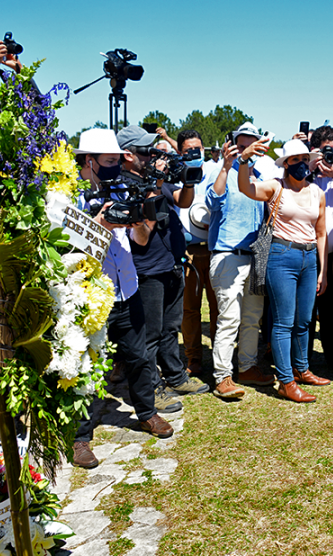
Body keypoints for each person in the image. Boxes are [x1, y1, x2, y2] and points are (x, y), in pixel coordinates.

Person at [72, 129, 176, 469]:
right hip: (90, 294)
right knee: (87, 367)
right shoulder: (68, 195)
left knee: (139, 356)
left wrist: (140, 218)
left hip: (127, 289)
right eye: (109, 162)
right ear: (89, 161)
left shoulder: (121, 188)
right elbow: (68, 249)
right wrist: (99, 224)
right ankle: (80, 437)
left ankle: (147, 413)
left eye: (118, 161)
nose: (115, 168)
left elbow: (141, 241)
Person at [117, 125, 209, 403]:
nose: (153, 154)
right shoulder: (123, 184)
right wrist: (154, 185)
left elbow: (182, 201)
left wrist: (188, 180)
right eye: (146, 150)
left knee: (171, 328)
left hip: (171, 263)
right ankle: (152, 390)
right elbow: (144, 228)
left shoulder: (152, 177)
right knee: (150, 333)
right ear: (128, 155)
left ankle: (176, 377)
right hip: (146, 269)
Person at [237, 138, 330, 403]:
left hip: (309, 257)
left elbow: (321, 232)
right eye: (295, 160)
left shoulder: (317, 192)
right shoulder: (275, 187)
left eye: (305, 160)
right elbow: (246, 187)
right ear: (286, 164)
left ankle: (302, 369)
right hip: (281, 255)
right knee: (283, 322)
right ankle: (286, 381)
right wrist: (244, 160)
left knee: (304, 320)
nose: (301, 165)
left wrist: (322, 270)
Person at [205, 124, 279, 400]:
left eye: (254, 145)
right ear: (233, 145)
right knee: (230, 318)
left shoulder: (258, 176)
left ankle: (247, 367)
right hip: (228, 255)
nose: (248, 149)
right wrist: (226, 165)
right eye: (243, 144)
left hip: (254, 256)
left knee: (252, 318)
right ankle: (222, 376)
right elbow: (213, 201)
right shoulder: (219, 171)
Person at [178, 129, 219, 376]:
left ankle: (219, 357)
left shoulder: (216, 173)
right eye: (189, 151)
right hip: (188, 252)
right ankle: (193, 358)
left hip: (214, 249)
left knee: (217, 307)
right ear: (180, 153)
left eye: (198, 149)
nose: (195, 153)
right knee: (190, 309)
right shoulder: (175, 177)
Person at [307, 126, 333, 371]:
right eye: (326, 152)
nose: (331, 156)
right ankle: (303, 360)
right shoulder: (303, 175)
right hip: (307, 252)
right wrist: (308, 170)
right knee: (305, 313)